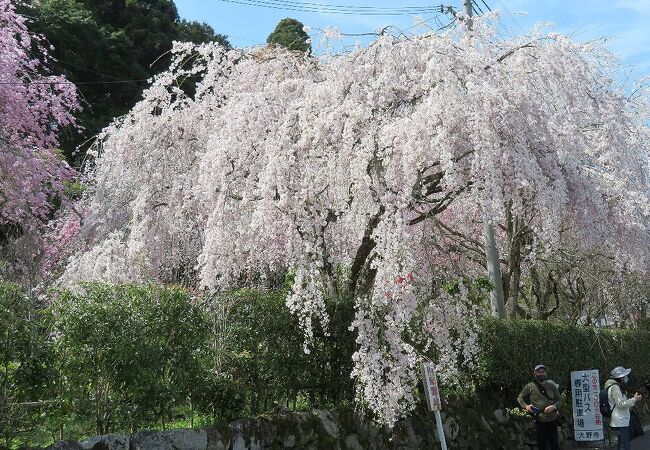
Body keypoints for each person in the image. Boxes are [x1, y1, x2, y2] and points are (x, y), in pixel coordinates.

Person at [517, 364, 563, 450]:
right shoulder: (530, 386)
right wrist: (526, 406)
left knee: (555, 444)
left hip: (553, 420)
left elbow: (559, 400)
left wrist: (553, 407)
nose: (541, 374)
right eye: (539, 372)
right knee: (542, 445)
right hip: (539, 421)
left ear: (546, 373)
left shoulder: (551, 386)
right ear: (535, 373)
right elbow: (520, 397)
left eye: (543, 372)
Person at [604, 366, 643, 450]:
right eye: (625, 376)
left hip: (619, 420)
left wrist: (632, 399)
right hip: (620, 421)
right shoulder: (615, 387)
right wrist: (634, 399)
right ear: (620, 377)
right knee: (624, 446)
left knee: (622, 444)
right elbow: (621, 404)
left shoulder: (614, 386)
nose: (626, 377)